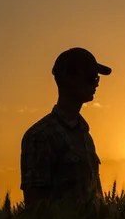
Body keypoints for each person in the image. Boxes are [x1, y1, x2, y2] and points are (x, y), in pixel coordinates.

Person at [20, 47, 112, 207]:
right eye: (90, 78)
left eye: (97, 79)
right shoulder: (40, 136)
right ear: (68, 78)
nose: (95, 84)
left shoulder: (84, 134)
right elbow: (35, 205)